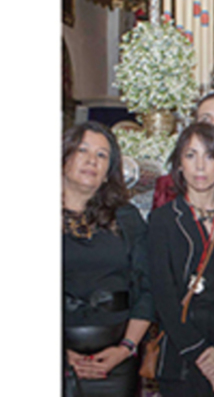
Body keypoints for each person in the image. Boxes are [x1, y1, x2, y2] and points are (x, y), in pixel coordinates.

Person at [148, 123, 214, 396]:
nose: (200, 166)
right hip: (182, 352)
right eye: (191, 155)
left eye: (210, 156)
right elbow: (162, 296)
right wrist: (203, 357)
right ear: (179, 164)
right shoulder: (163, 220)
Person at [63, 121, 154, 396]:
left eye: (102, 155)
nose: (92, 160)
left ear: (108, 172)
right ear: (64, 157)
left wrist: (126, 348)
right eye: (83, 150)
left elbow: (148, 288)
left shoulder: (127, 218)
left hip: (117, 361)